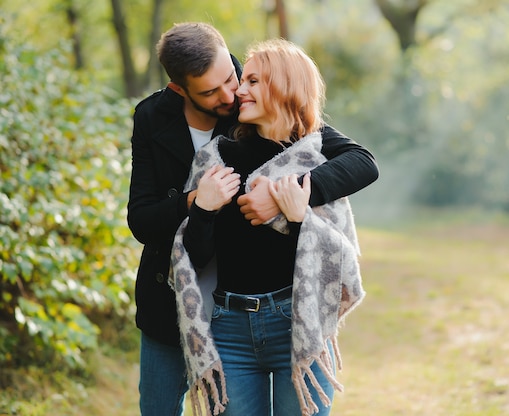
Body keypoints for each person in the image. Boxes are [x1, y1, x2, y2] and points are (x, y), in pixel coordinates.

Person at [127, 22, 378, 415]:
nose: (231, 94)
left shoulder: (266, 105)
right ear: (181, 90)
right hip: (196, 304)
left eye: (233, 77)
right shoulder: (159, 123)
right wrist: (199, 202)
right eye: (212, 92)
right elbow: (144, 220)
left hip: (287, 311)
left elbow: (360, 161)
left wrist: (287, 195)